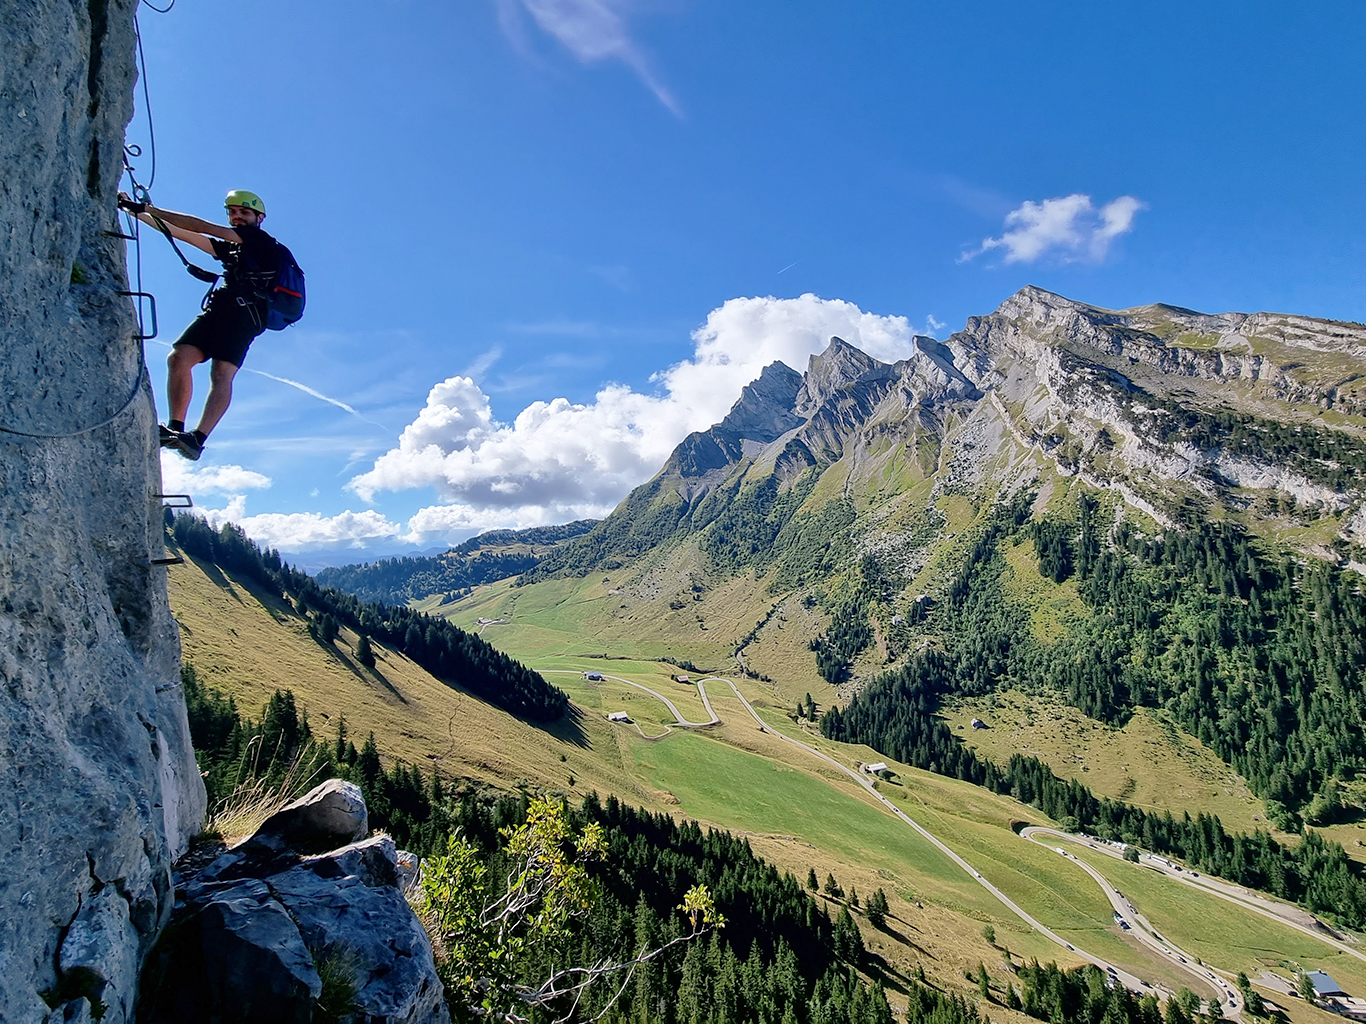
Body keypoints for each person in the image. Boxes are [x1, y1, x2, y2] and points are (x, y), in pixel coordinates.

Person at [116, 189, 280, 460]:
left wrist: (151, 209)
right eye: (232, 212)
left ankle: (197, 438)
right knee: (179, 357)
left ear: (259, 218)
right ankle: (175, 428)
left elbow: (201, 227)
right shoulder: (232, 248)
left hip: (246, 314)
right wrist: (135, 211)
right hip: (222, 307)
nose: (236, 216)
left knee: (221, 373)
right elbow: (183, 234)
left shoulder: (260, 240)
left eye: (244, 212)